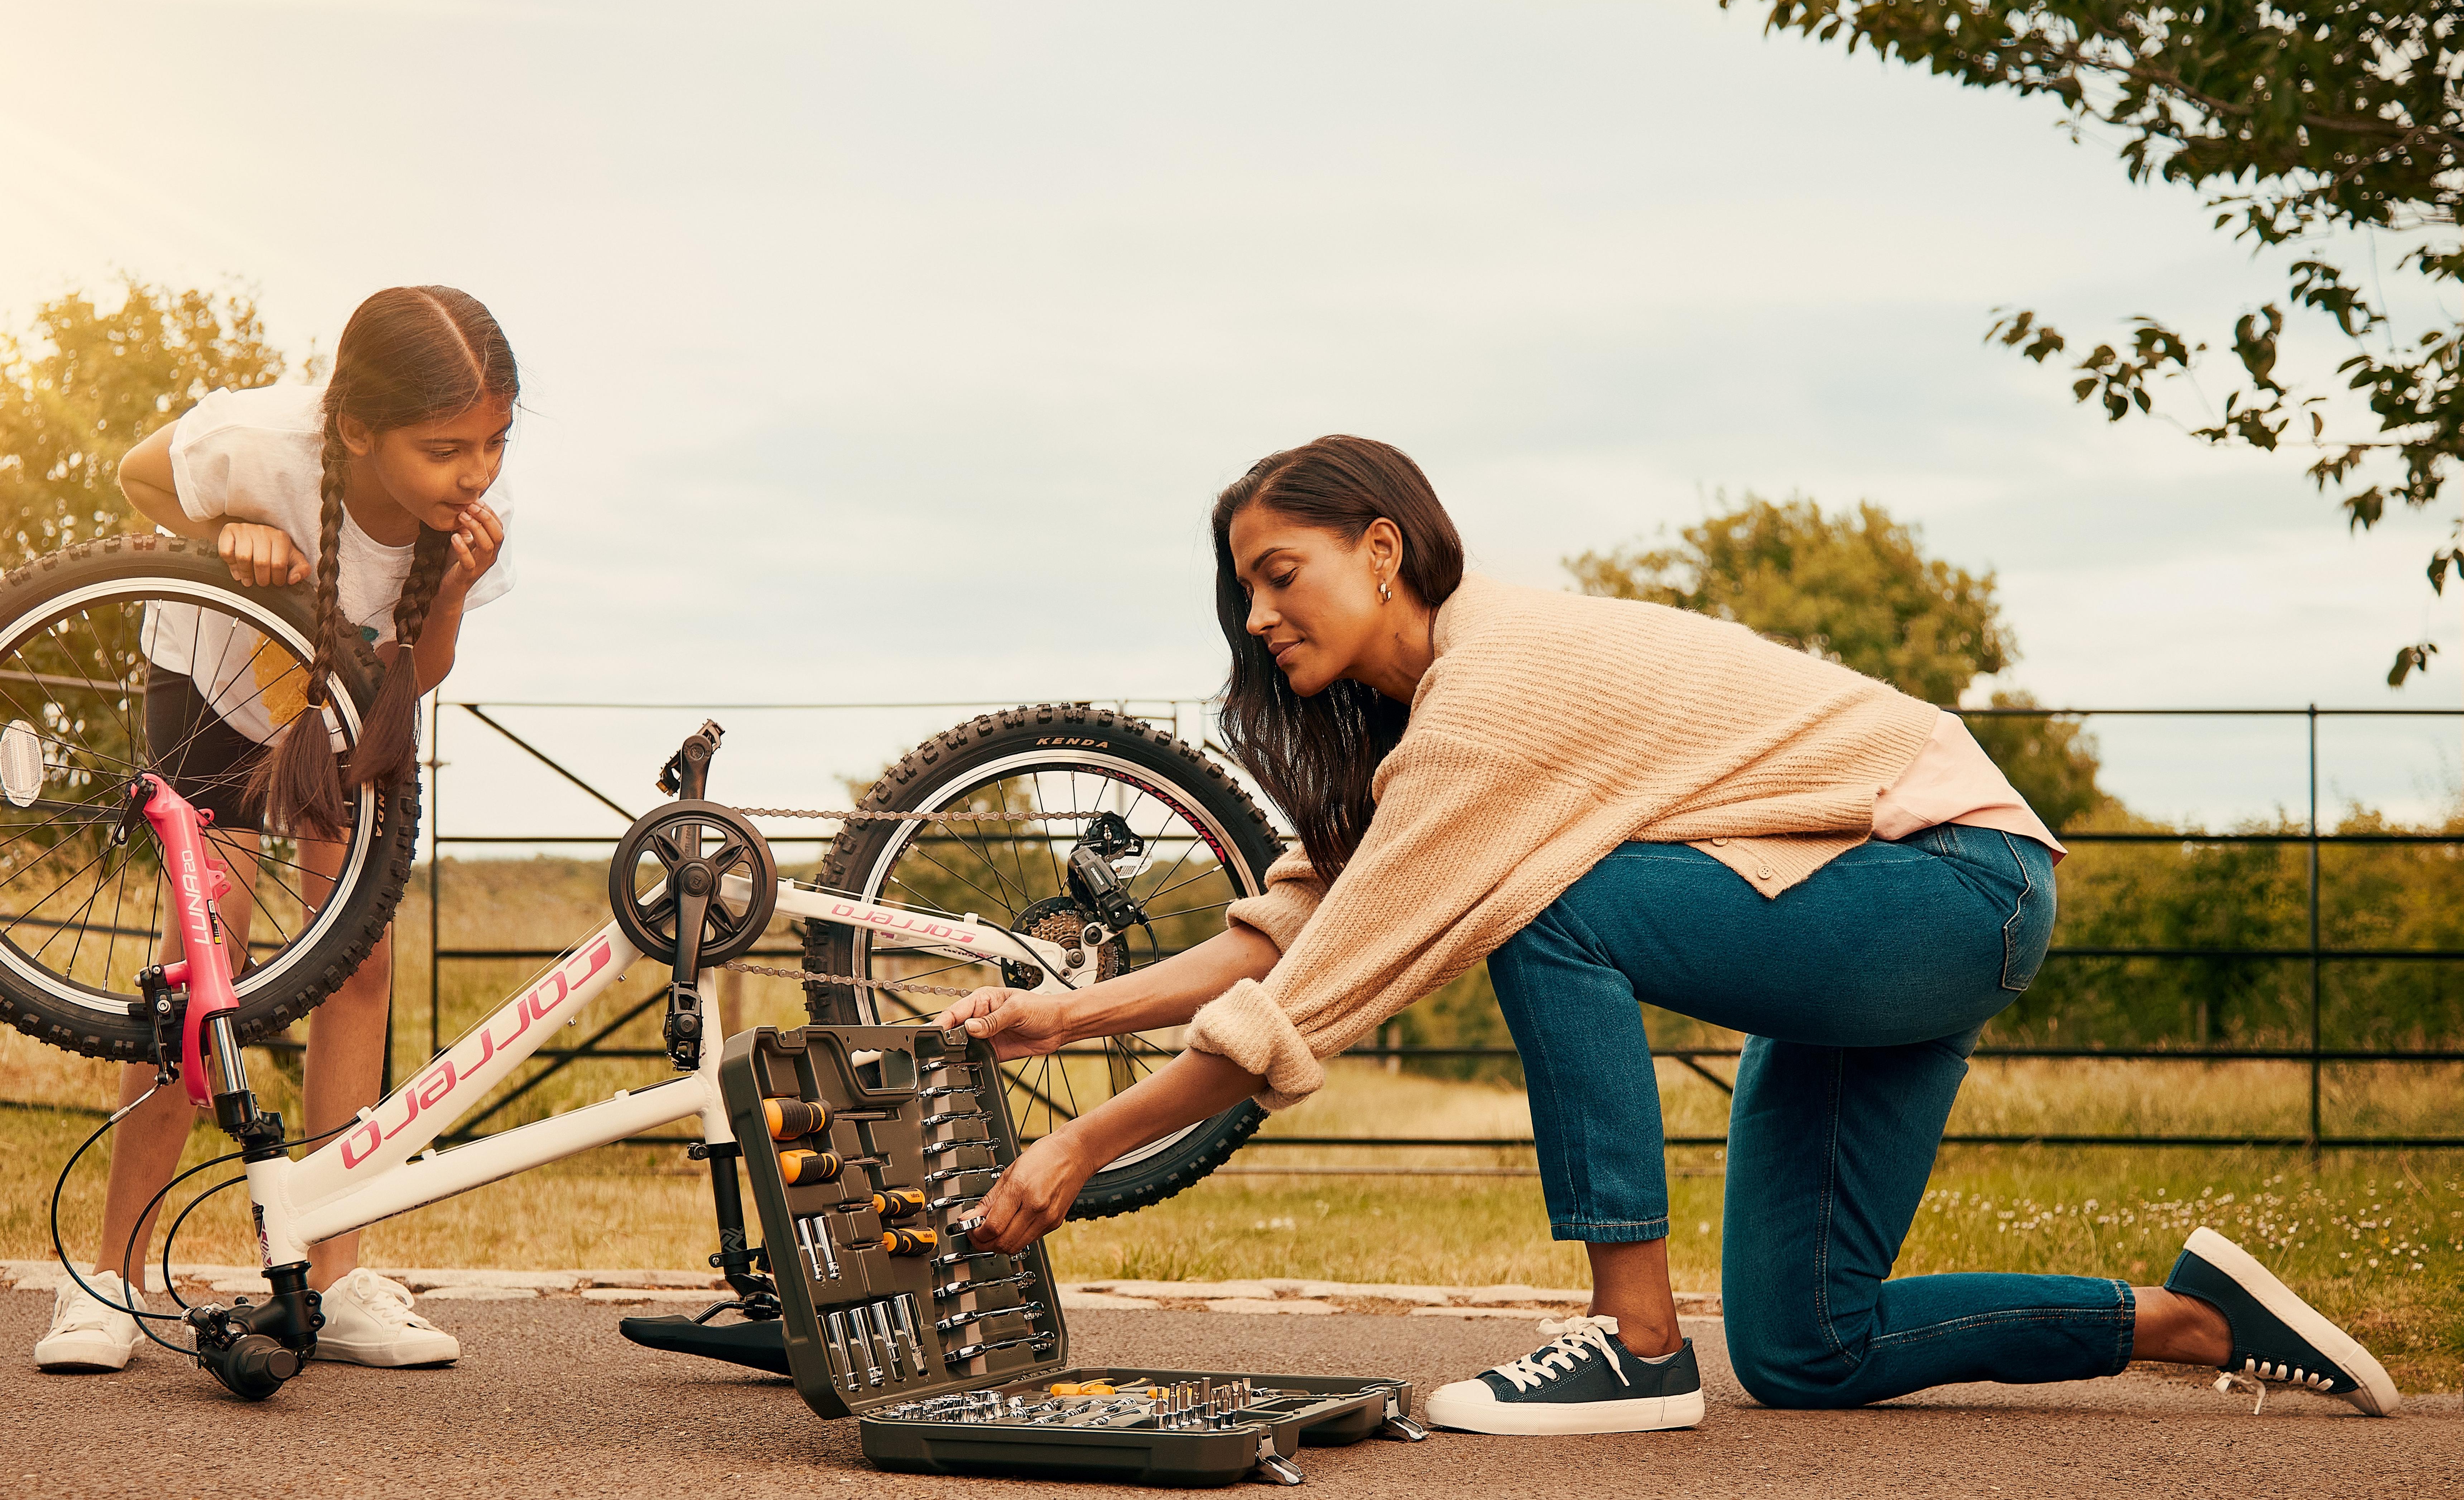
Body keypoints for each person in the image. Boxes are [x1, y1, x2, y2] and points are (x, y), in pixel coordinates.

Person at [942, 435, 2400, 1433]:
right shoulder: (1430, 727)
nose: (1257, 615)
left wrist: (1078, 1144)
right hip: (1877, 905)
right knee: (1807, 1347)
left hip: (1946, 878)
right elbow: (1296, 922)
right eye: (1239, 589)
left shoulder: (1492, 692)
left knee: (1547, 896)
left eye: (1282, 572)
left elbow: (1315, 992)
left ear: (1382, 548)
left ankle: (1633, 1341)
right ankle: (2186, 1321)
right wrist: (1060, 1020)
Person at [32, 284, 519, 1375]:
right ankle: (109, 1279)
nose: (477, 470)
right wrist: (224, 527)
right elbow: (135, 471)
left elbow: (420, 674)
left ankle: (336, 1277)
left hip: (340, 717)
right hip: (212, 686)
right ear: (356, 430)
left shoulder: (461, 524)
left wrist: (451, 596)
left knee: (361, 960)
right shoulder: (264, 443)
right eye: (447, 447)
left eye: (494, 441)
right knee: (206, 954)